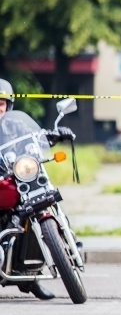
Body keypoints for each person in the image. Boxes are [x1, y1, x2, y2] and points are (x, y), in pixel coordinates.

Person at [0, 78, 75, 301]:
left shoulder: (15, 125)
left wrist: (53, 135)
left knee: (35, 206)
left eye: (1, 104)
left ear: (8, 106)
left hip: (17, 178)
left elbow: (34, 136)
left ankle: (31, 277)